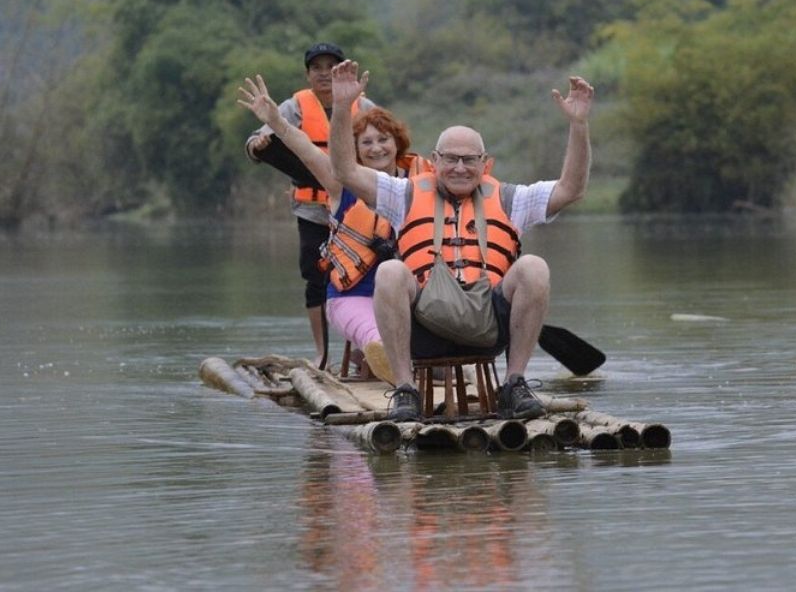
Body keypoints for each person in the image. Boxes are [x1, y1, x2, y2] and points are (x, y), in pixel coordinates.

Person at [328, 59, 594, 421]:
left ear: (486, 165)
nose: (459, 168)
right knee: (390, 270)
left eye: (470, 160)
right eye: (450, 159)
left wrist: (578, 125)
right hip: (423, 327)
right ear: (434, 161)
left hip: (488, 325)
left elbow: (571, 188)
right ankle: (405, 390)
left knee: (534, 267)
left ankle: (514, 384)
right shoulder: (402, 195)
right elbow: (344, 169)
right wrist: (342, 108)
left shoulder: (511, 198)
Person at [238, 74, 425, 382]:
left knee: (441, 325)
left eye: (383, 140)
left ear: (398, 144)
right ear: (354, 151)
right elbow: (306, 151)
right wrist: (276, 122)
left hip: (406, 295)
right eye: (366, 142)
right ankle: (383, 358)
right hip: (352, 296)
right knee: (377, 337)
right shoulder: (340, 185)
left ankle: (402, 360)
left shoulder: (420, 187)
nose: (376, 148)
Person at [244, 43, 377, 368]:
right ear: (307, 74)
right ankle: (322, 354)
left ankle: (362, 351)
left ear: (341, 71)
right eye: (316, 67)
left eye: (331, 66)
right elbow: (257, 140)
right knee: (315, 277)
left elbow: (384, 141)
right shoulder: (294, 107)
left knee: (361, 274)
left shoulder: (364, 104)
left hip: (354, 210)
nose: (323, 73)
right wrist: (259, 143)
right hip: (313, 211)